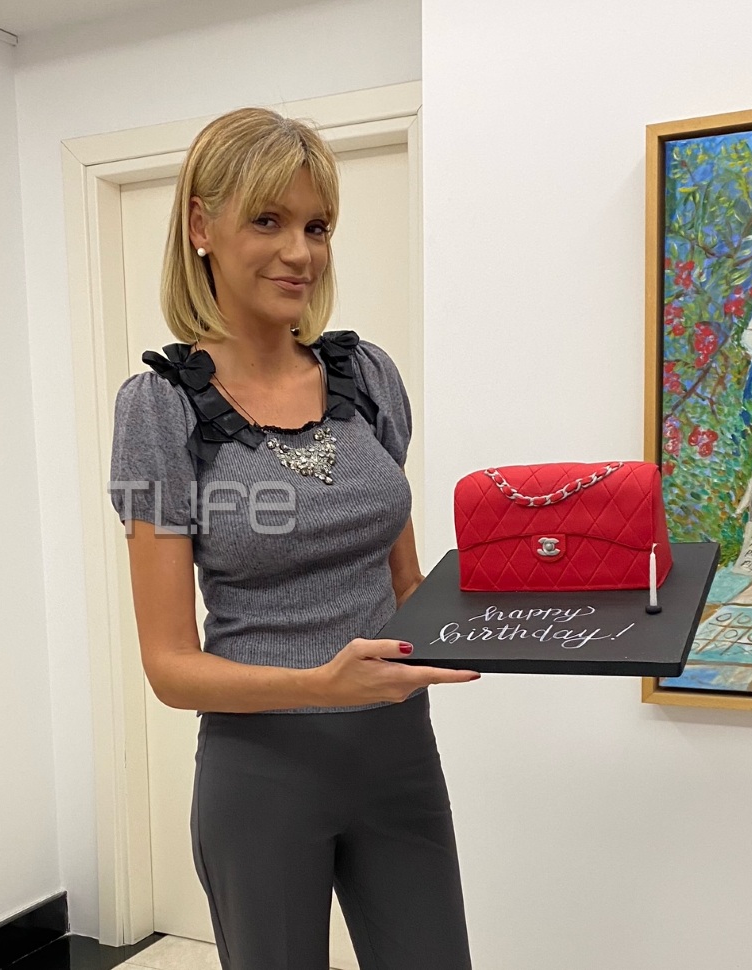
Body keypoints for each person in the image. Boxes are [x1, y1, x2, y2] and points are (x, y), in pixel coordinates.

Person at [108, 106, 478, 970]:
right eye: (268, 221)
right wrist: (320, 685)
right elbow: (169, 666)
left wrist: (522, 611)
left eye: (317, 227)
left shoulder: (368, 376)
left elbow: (407, 585)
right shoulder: (156, 408)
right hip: (263, 772)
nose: (300, 253)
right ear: (201, 227)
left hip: (399, 755)